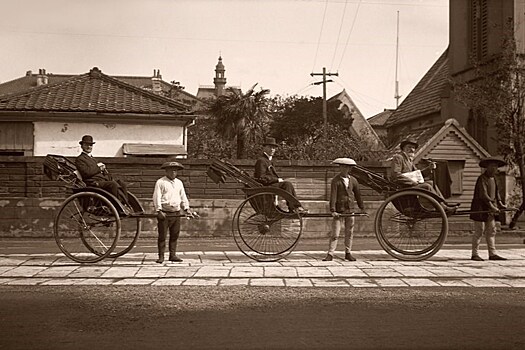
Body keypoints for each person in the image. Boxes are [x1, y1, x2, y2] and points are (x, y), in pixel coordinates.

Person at [390, 138, 458, 212]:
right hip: (403, 187)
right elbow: (396, 175)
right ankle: (442, 207)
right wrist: (412, 182)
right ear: (403, 148)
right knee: (427, 186)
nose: (412, 150)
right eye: (409, 147)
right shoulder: (398, 158)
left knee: (431, 182)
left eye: (413, 148)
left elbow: (418, 175)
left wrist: (429, 168)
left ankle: (444, 203)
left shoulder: (409, 160)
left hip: (410, 186)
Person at [323, 158, 366, 262]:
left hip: (350, 210)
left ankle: (348, 252)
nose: (344, 169)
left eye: (347, 167)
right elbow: (333, 196)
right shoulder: (336, 180)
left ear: (350, 168)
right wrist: (333, 210)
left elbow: (358, 195)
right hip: (339, 210)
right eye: (342, 166)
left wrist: (362, 208)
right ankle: (330, 253)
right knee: (335, 233)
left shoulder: (354, 181)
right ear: (340, 167)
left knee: (349, 232)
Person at [153, 160, 193, 263]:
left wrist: (186, 208)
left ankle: (172, 255)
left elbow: (183, 196)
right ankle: (161, 256)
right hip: (165, 212)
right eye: (171, 171)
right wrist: (159, 210)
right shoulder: (161, 182)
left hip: (176, 212)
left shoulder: (179, 183)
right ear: (166, 171)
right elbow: (156, 196)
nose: (173, 173)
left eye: (175, 171)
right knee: (162, 236)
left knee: (174, 235)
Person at [254, 137, 306, 213]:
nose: (272, 150)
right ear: (264, 148)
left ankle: (295, 207)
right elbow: (261, 178)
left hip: (269, 185)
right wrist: (277, 180)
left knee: (287, 184)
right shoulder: (261, 161)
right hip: (265, 187)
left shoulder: (268, 160)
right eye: (270, 147)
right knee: (287, 184)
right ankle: (294, 208)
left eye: (274, 148)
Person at [470, 156, 507, 261]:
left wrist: (500, 204)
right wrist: (492, 206)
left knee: (491, 231)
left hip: (491, 209)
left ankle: (492, 253)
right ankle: (474, 254)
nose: (494, 169)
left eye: (496, 167)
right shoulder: (482, 178)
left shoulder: (494, 179)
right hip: (480, 208)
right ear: (487, 167)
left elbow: (496, 194)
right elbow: (483, 195)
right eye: (492, 166)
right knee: (479, 231)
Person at [75, 135, 129, 205]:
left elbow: (99, 171)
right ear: (82, 146)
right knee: (113, 185)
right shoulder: (80, 159)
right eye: (86, 145)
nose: (89, 147)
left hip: (101, 181)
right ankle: (117, 206)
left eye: (91, 145)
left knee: (121, 183)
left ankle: (126, 204)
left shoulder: (93, 159)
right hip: (93, 183)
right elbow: (86, 173)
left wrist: (104, 171)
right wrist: (98, 168)